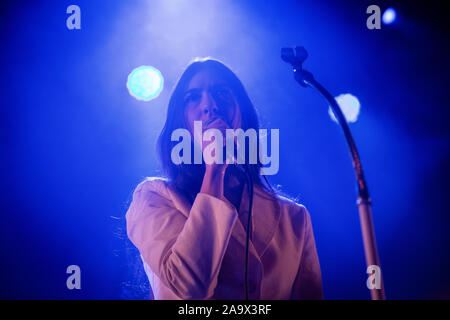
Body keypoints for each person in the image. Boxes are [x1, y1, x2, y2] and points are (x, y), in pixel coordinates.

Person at [125, 58, 323, 300]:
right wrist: (215, 168)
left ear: (244, 116)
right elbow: (191, 290)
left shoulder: (294, 218)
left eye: (222, 93)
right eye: (193, 97)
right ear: (181, 124)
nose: (210, 105)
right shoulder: (153, 198)